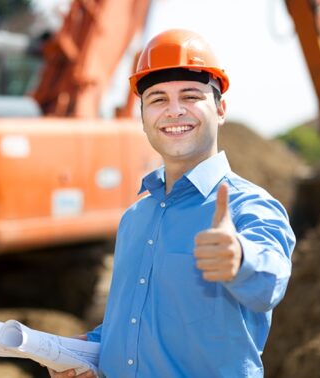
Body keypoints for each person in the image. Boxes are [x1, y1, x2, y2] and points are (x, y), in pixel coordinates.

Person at [49, 28, 295, 378]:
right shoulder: (135, 217)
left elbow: (270, 281)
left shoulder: (249, 206)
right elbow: (135, 323)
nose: (174, 110)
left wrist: (239, 257)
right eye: (158, 99)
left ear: (220, 108)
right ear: (143, 117)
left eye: (191, 96)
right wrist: (90, 352)